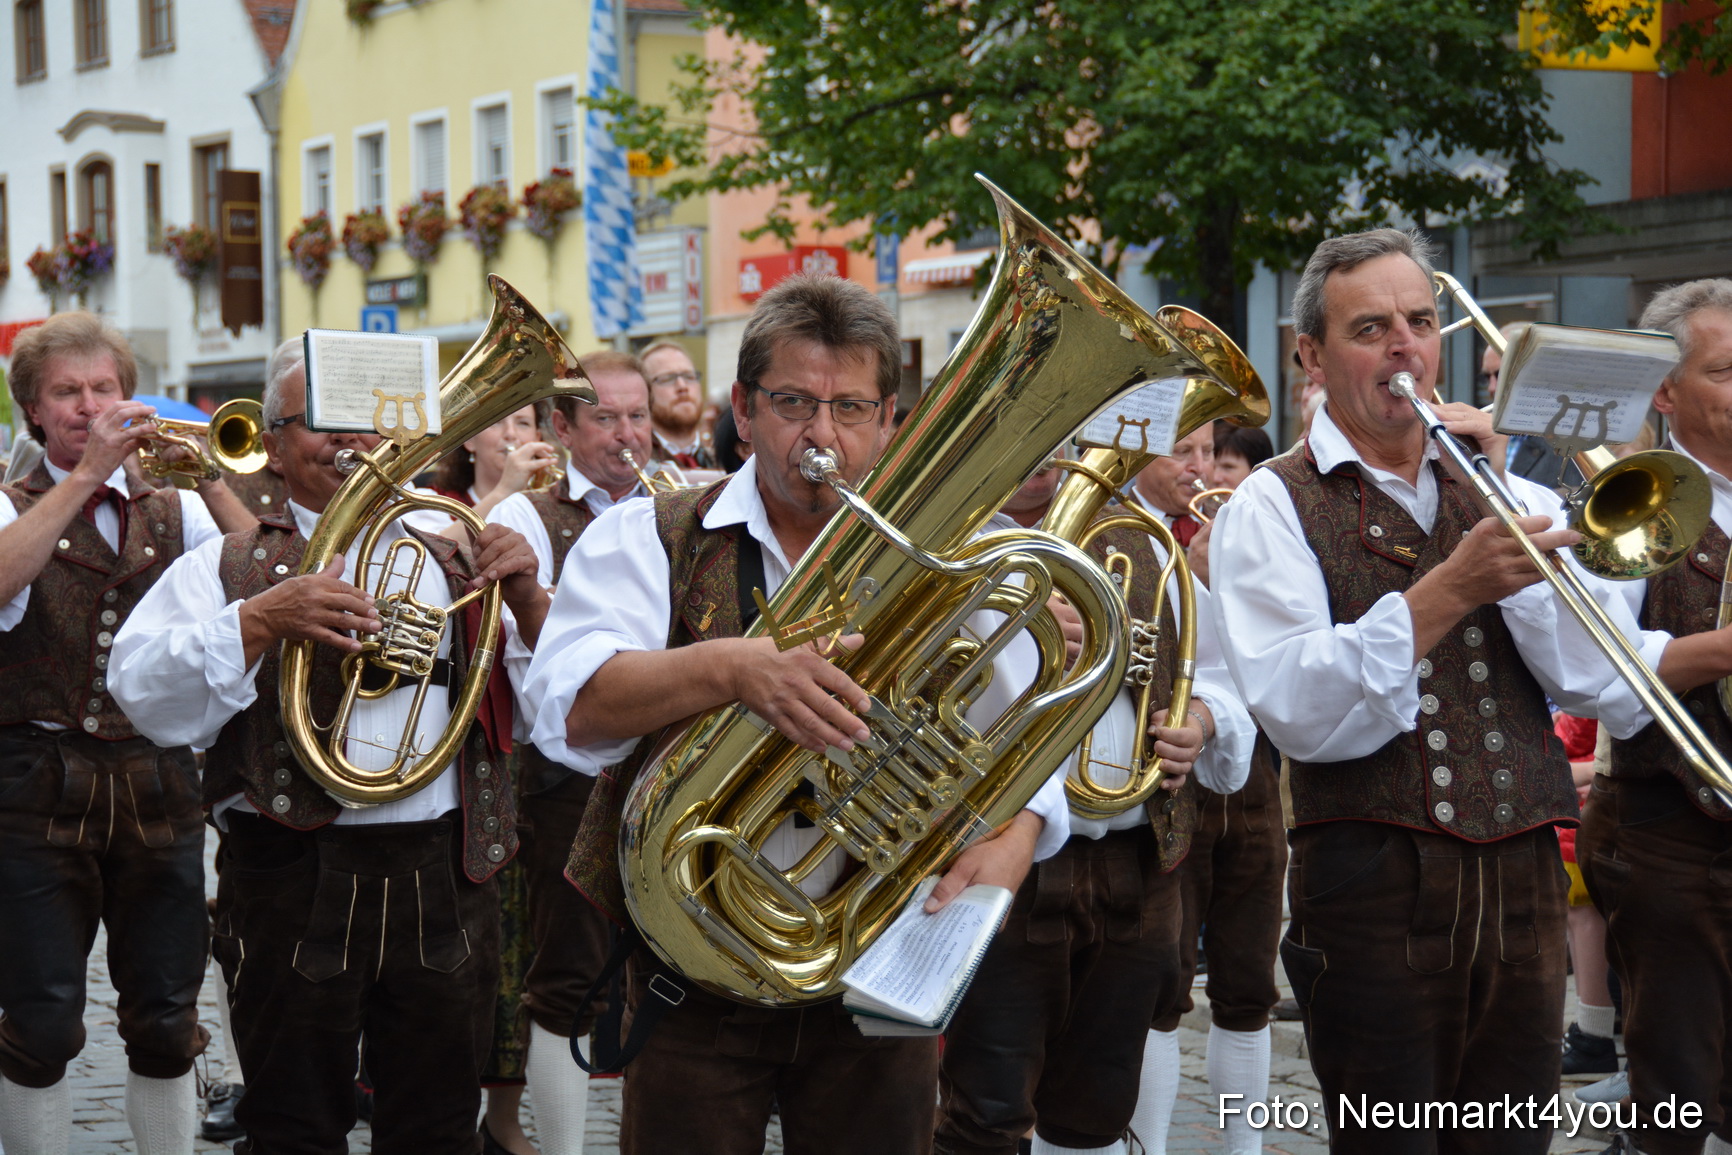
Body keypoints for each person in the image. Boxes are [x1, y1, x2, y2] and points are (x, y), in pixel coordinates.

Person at [523, 274, 1070, 1155]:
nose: (823, 436)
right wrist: (729, 668)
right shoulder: (647, 534)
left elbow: (1028, 742)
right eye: (793, 403)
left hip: (877, 968)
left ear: (890, 419)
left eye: (850, 408)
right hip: (692, 968)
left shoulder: (944, 555)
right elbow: (572, 712)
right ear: (742, 409)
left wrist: (1015, 836)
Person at [1210, 228, 1629, 1153]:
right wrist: (1449, 587)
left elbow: (1599, 674)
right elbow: (1301, 708)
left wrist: (1505, 490)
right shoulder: (1270, 504)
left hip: (1523, 882)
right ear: (1311, 355)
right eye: (1371, 328)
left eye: (1421, 320)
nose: (1405, 346)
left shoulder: (1498, 485)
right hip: (1373, 889)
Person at [107, 335, 549, 1155]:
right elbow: (140, 690)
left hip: (446, 870)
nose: (352, 440)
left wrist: (525, 599)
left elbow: (564, 710)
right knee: (292, 1126)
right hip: (291, 871)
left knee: (440, 1127)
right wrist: (258, 620)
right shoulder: (232, 562)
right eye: (323, 422)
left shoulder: (464, 547)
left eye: (369, 420)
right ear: (272, 444)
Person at [935, 462, 1254, 1155]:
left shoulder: (1140, 541)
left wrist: (1198, 719)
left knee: (1099, 1108)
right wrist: (1001, 613)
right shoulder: (945, 541)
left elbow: (1228, 680)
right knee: (983, 1112)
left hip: (1136, 864)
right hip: (998, 866)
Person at [0, 312, 260, 1155]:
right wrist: (85, 479)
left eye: (104, 388)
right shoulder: (11, 500)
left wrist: (211, 474)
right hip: (34, 783)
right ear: (33, 413)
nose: (89, 407)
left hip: (158, 779)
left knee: (167, 1014)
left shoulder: (174, 503)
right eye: (67, 393)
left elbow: (261, 567)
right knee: (39, 1020)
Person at [481, 350, 662, 1155]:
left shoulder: (684, 504)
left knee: (664, 974)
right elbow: (545, 661)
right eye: (606, 419)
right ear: (562, 427)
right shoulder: (529, 517)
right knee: (569, 979)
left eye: (639, 416)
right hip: (569, 778)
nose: (628, 435)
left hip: (663, 774)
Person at [1581, 278, 1732, 1155]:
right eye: (1727, 368)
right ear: (1667, 394)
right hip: (1674, 831)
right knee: (1674, 1096)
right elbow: (1597, 674)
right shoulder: (1635, 494)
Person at [1128, 419, 1285, 1155]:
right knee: (1160, 990)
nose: (1201, 472)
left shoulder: (1241, 530)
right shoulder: (1128, 536)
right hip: (1160, 791)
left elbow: (1267, 663)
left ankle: (1241, 1148)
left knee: (1247, 983)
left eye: (1209, 455)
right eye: (1184, 453)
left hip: (1248, 780)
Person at [427, 403, 561, 521]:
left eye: (523, 423)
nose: (511, 433)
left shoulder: (553, 504)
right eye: (495, 421)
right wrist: (505, 490)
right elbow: (439, 545)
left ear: (536, 438)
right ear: (470, 439)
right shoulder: (436, 502)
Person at [1130, 423, 1215, 548]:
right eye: (1182, 451)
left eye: (1207, 451)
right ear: (1141, 456)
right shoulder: (1105, 528)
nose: (1199, 467)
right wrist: (1193, 567)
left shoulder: (1232, 520)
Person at [640, 339, 716, 469]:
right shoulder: (636, 465)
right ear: (644, 391)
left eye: (689, 376)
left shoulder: (725, 462)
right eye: (667, 378)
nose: (682, 386)